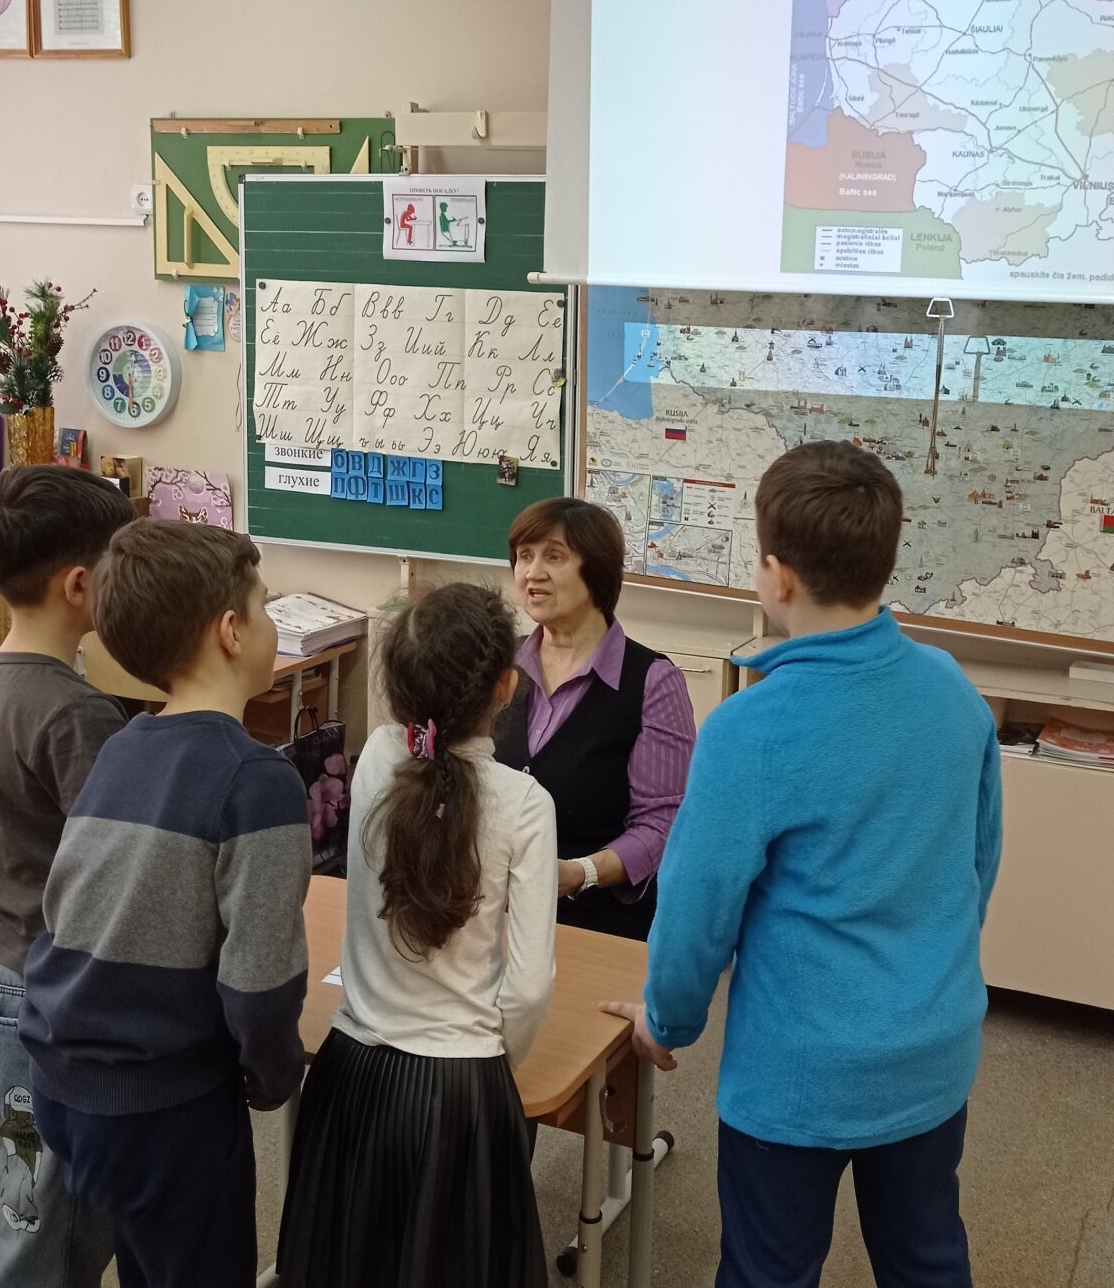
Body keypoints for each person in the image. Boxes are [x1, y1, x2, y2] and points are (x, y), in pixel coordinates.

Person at [606, 440, 1003, 1288]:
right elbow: (978, 860)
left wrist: (665, 1021)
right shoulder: (952, 690)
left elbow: (696, 906)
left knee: (769, 1272)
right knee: (928, 1258)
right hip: (932, 1047)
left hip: (796, 1073)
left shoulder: (750, 729)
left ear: (777, 577)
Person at [18, 521, 312, 1288]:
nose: (272, 621)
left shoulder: (124, 743)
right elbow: (258, 981)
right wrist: (274, 1075)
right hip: (165, 1106)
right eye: (266, 604)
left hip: (64, 1080)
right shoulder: (259, 780)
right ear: (230, 631)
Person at [277, 583, 557, 1288]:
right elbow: (527, 989)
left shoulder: (375, 757)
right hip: (461, 1088)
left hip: (351, 1071)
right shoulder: (526, 804)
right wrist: (495, 1066)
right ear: (506, 687)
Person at [0, 464, 133, 1288]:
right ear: (81, 584)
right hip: (31, 997)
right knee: (31, 1209)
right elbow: (111, 873)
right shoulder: (76, 714)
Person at [495, 497, 695, 942]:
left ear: (597, 570)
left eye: (554, 556)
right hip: (493, 917)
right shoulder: (498, 662)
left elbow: (662, 825)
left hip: (597, 926)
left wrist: (580, 873)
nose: (532, 572)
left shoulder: (652, 681)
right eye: (524, 556)